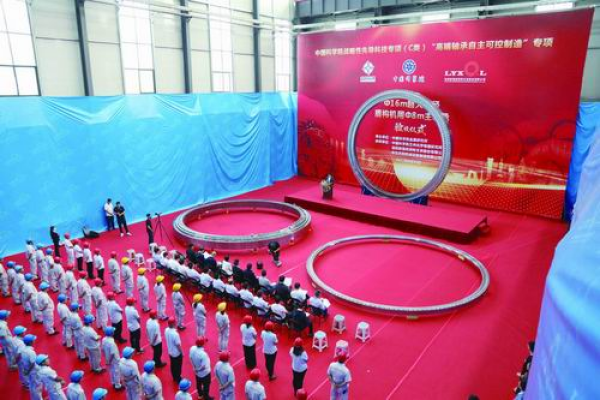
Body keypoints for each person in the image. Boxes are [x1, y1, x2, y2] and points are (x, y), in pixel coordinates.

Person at [102, 326, 123, 391]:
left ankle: (113, 382)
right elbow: (112, 353)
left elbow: (102, 349)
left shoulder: (104, 339)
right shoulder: (111, 343)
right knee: (116, 371)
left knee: (111, 370)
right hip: (114, 360)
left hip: (108, 358)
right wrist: (109, 360)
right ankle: (118, 385)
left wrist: (106, 358)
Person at [165, 318, 183, 383]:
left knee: (173, 365)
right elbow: (178, 345)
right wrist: (181, 352)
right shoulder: (175, 334)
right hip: (176, 353)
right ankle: (178, 378)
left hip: (170, 351)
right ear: (173, 324)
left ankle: (174, 377)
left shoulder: (166, 330)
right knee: (178, 366)